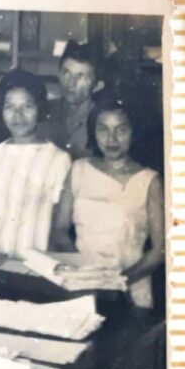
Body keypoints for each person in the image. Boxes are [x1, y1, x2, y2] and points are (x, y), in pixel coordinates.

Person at [50, 96, 164, 309]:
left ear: (134, 132)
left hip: (130, 291)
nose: (112, 139)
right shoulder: (79, 169)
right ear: (93, 132)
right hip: (82, 287)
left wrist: (118, 282)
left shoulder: (150, 180)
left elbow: (160, 251)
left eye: (121, 130)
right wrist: (84, 276)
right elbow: (59, 230)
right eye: (103, 129)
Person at [0, 69, 72, 256]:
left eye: (27, 106)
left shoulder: (58, 159)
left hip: (32, 264)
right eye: (10, 107)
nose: (18, 115)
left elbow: (59, 229)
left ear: (39, 108)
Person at [40, 40, 105, 160]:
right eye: (67, 73)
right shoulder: (43, 112)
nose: (71, 83)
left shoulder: (104, 121)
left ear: (97, 86)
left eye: (81, 76)